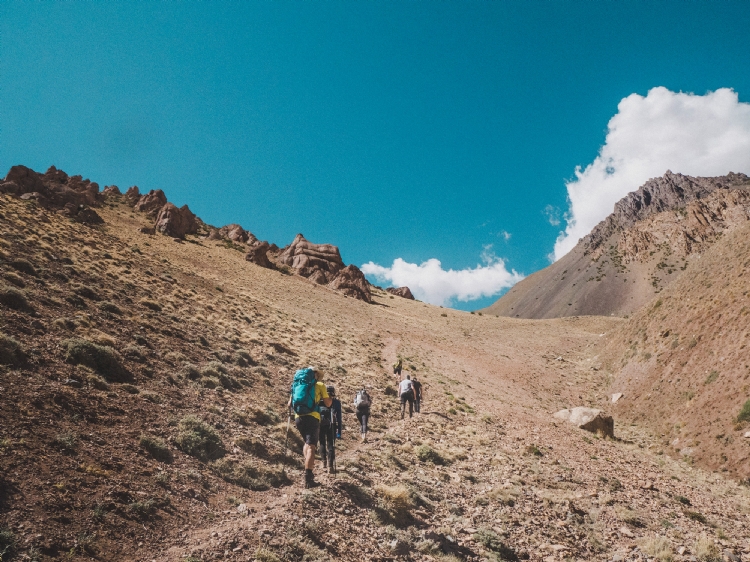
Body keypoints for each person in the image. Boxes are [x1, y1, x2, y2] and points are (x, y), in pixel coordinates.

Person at [288, 366, 332, 488]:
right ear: (316, 374)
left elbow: (289, 404)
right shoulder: (319, 385)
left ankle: (308, 466)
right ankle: (308, 478)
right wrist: (329, 398)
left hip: (298, 418)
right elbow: (328, 403)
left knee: (307, 443)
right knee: (312, 446)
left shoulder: (296, 384)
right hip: (312, 417)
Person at [319, 385, 342, 474]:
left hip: (320, 423)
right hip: (331, 425)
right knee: (331, 444)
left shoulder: (320, 401)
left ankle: (323, 461)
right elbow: (339, 418)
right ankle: (330, 466)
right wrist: (339, 431)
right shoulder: (336, 402)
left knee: (321, 442)